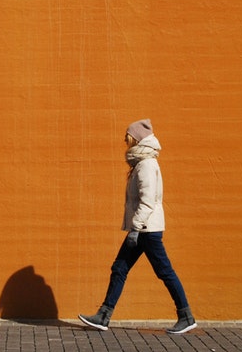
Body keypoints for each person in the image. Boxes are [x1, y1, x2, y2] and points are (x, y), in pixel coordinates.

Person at [78, 118, 197, 334]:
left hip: (146, 230)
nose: (125, 139)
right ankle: (103, 316)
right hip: (142, 228)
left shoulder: (146, 165)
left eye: (128, 136)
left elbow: (147, 200)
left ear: (137, 138)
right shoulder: (141, 163)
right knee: (120, 269)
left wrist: (135, 228)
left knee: (164, 272)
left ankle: (186, 316)